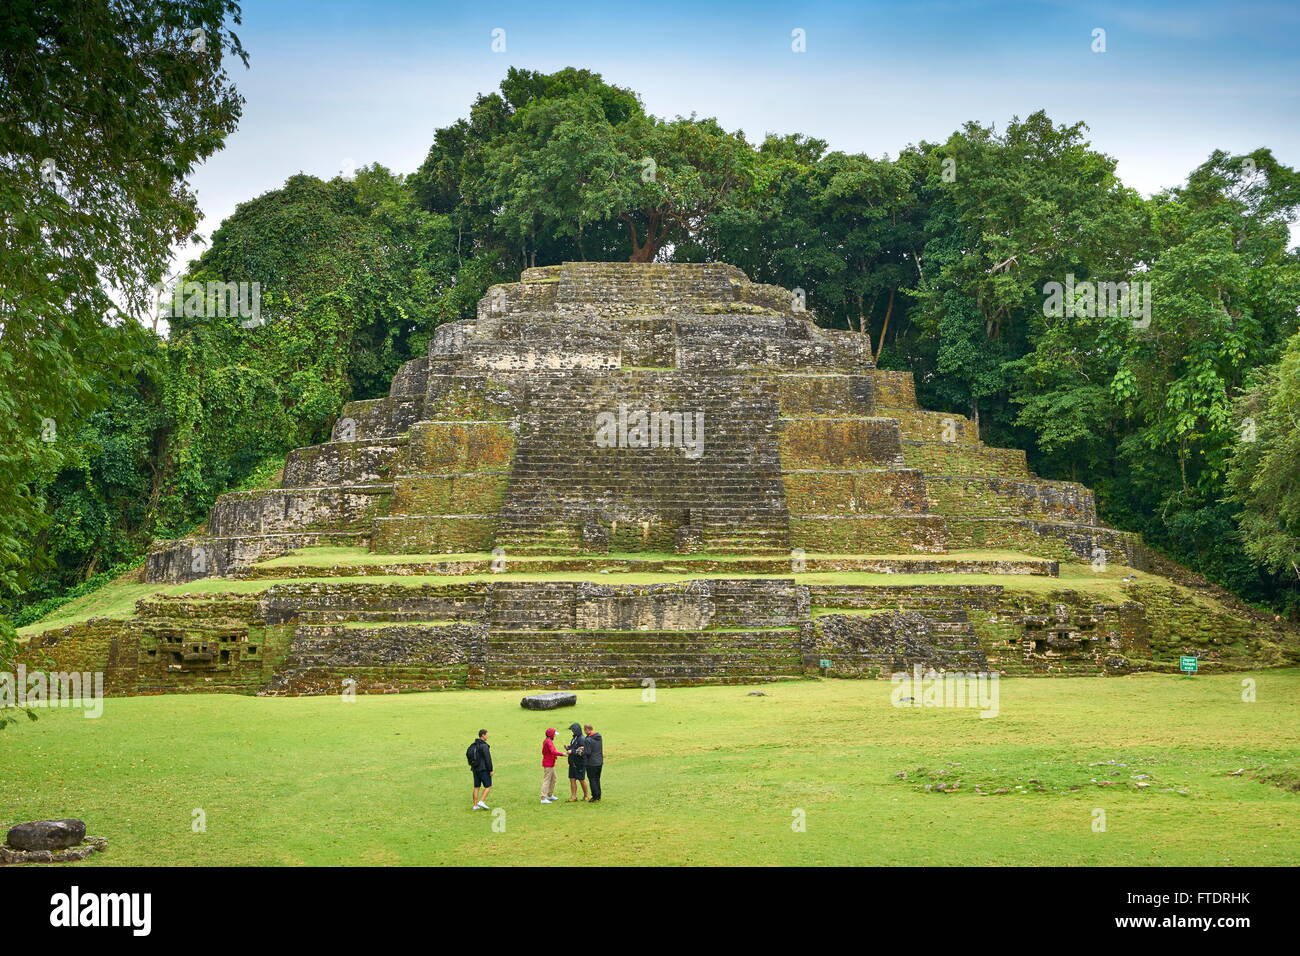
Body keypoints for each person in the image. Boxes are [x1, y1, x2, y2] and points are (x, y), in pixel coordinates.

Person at [467, 728, 493, 810]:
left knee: (476, 787)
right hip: (483, 769)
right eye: (487, 734)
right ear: (483, 735)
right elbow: (488, 759)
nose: (488, 736)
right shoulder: (484, 746)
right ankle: (481, 801)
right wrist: (491, 770)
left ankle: (475, 805)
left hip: (475, 769)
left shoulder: (473, 745)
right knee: (488, 786)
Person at [566, 722, 589, 802]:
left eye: (573, 730)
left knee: (581, 779)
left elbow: (582, 751)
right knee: (572, 779)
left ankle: (586, 795)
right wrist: (569, 748)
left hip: (580, 763)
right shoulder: (574, 738)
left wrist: (572, 751)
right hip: (572, 763)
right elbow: (575, 748)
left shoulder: (582, 739)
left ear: (576, 730)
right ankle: (573, 796)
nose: (572, 731)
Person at [540, 727, 563, 804]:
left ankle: (549, 795)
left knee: (553, 779)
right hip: (548, 764)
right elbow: (553, 751)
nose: (555, 736)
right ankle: (543, 798)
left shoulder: (547, 741)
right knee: (547, 780)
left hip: (550, 763)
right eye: (554, 734)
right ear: (551, 735)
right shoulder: (548, 742)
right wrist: (562, 754)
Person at [583, 723, 604, 802]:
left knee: (592, 780)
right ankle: (598, 795)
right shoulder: (599, 737)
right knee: (597, 779)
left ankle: (594, 796)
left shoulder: (587, 739)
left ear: (587, 730)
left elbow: (588, 752)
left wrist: (582, 751)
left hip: (591, 763)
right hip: (599, 761)